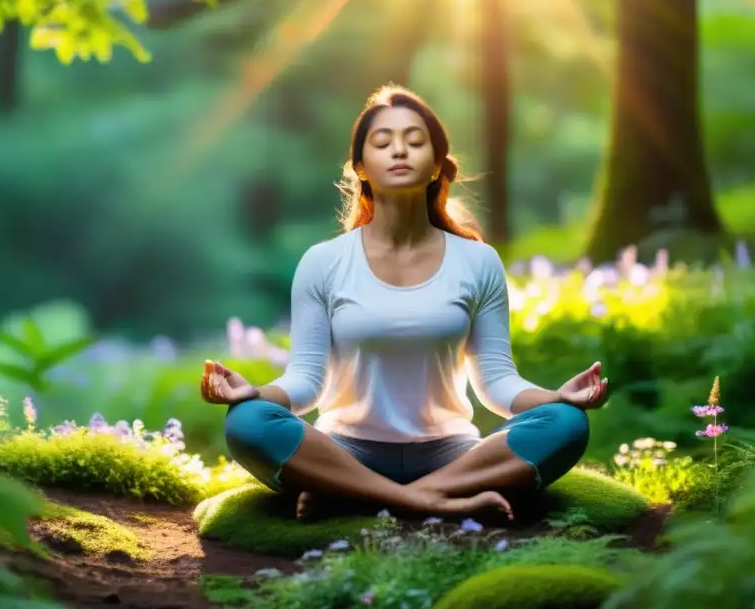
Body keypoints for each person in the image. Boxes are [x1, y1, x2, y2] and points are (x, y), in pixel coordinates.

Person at [201, 85, 608, 521]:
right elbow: (306, 380)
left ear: (436, 167)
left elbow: (497, 382)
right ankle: (428, 502)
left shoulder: (477, 261)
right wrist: (254, 393)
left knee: (566, 423)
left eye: (415, 141)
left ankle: (359, 497)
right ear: (360, 167)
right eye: (383, 142)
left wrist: (556, 397)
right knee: (247, 421)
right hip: (344, 452)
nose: (400, 150)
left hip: (450, 454)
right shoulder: (324, 262)